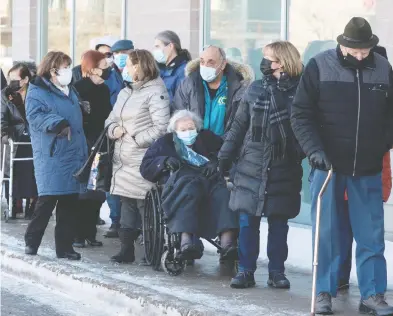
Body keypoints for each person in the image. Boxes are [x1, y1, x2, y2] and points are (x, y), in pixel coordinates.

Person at [291, 17, 393, 315]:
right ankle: (323, 292)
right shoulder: (319, 66)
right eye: (354, 50)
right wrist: (314, 151)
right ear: (342, 44)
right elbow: (300, 114)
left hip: (368, 167)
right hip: (329, 167)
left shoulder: (383, 68)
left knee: (371, 236)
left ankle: (373, 295)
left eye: (365, 50)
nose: (361, 55)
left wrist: (381, 145)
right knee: (327, 234)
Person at [218, 41, 304, 289]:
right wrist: (224, 156)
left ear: (283, 62)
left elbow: (305, 129)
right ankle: (246, 270)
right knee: (247, 223)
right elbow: (238, 126)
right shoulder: (255, 89)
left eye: (269, 58)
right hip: (251, 166)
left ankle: (277, 271)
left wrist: (296, 152)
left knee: (278, 224)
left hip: (283, 167)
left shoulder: (299, 91)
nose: (264, 62)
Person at [140, 110, 238, 261]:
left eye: (191, 128)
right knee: (188, 191)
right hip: (180, 183)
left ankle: (227, 242)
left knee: (224, 194)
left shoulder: (207, 138)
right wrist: (164, 161)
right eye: (183, 130)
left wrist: (216, 162)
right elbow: (145, 167)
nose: (188, 132)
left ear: (197, 128)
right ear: (175, 131)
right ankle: (186, 240)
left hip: (209, 181)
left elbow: (226, 154)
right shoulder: (165, 142)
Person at [105, 49, 170, 263]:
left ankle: (153, 250)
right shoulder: (126, 92)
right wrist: (113, 130)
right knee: (126, 203)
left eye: (130, 65)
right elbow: (111, 118)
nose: (125, 68)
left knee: (145, 205)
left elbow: (161, 127)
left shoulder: (156, 91)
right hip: (122, 159)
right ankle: (126, 250)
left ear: (140, 67)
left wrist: (136, 138)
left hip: (142, 158)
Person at [24, 51, 88, 261]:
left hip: (74, 153)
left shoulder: (71, 90)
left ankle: (65, 247)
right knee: (47, 201)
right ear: (53, 70)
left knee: (70, 202)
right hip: (53, 153)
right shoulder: (37, 91)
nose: (69, 71)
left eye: (69, 66)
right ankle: (32, 242)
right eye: (65, 67)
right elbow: (35, 116)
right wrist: (57, 122)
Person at [338, 45, 392, 291]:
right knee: (340, 233)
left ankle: (367, 288)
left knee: (366, 237)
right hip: (343, 174)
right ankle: (339, 278)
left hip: (369, 175)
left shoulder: (382, 96)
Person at [73, 50, 112, 248]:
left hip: (102, 141)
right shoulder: (79, 88)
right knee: (83, 191)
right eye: (104, 66)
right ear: (93, 68)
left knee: (98, 190)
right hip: (86, 143)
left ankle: (90, 232)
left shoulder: (104, 89)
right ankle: (78, 234)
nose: (108, 70)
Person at [172, 45, 253, 138]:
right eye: (202, 61)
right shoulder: (188, 84)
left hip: (226, 147)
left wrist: (223, 147)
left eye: (211, 62)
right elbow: (178, 115)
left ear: (223, 65)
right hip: (195, 146)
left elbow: (242, 125)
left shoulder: (239, 87)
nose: (205, 66)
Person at [1, 63, 38, 219]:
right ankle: (14, 203)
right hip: (15, 137)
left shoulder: (36, 94)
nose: (12, 83)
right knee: (14, 170)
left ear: (25, 80)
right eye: (10, 79)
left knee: (33, 172)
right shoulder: (6, 95)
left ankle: (32, 204)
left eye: (16, 79)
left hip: (34, 137)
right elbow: (1, 117)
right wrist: (4, 134)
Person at [153, 30, 192, 102]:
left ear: (170, 46)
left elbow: (181, 102)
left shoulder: (183, 71)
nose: (155, 51)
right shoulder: (160, 69)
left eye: (157, 46)